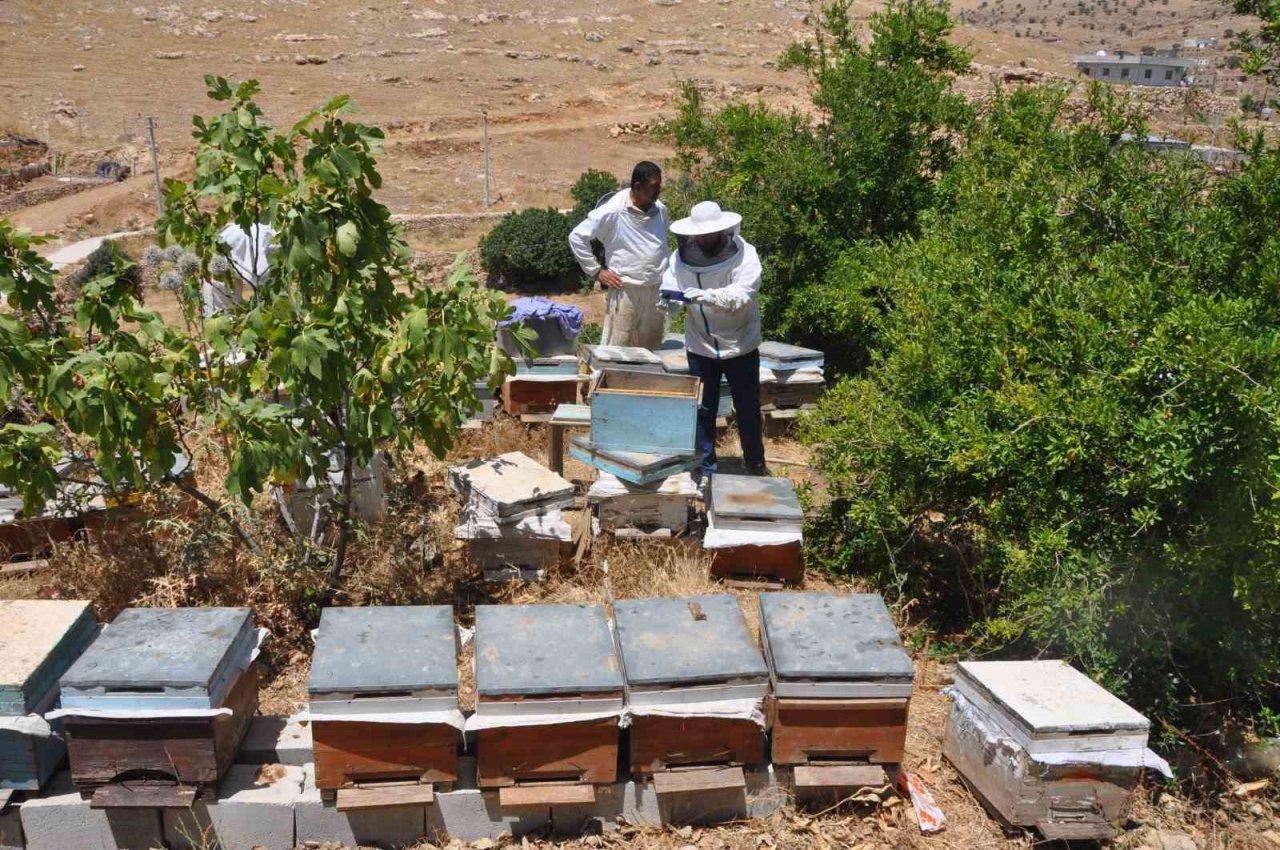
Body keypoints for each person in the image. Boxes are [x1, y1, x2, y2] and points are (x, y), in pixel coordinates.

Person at [660, 201, 766, 477]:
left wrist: (710, 296)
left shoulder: (746, 255)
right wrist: (668, 298)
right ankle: (705, 468)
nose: (703, 240)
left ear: (722, 231)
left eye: (708, 234)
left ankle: (754, 464)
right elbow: (672, 279)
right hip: (700, 344)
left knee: (747, 408)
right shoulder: (681, 256)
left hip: (739, 343)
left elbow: (743, 296)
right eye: (699, 235)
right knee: (702, 409)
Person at [568, 161, 668, 349]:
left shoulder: (660, 209)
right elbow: (576, 237)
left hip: (656, 287)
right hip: (626, 288)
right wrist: (597, 272)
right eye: (654, 186)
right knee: (619, 346)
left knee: (652, 347)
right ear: (638, 186)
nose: (659, 190)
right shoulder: (613, 210)